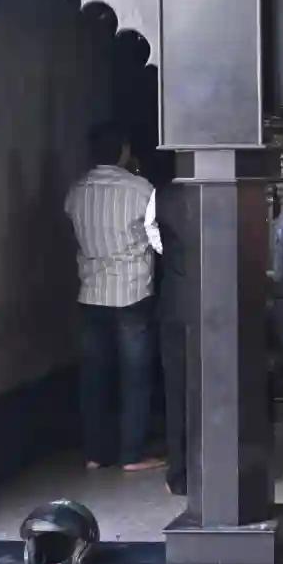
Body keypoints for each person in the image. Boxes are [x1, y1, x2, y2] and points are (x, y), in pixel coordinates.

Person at [63, 122, 161, 473]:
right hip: (132, 292)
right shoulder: (140, 189)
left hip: (91, 293)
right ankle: (131, 454)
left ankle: (95, 452)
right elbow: (158, 241)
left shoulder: (76, 191)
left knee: (94, 376)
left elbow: (74, 236)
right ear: (123, 150)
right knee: (135, 375)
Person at [146, 176, 188, 496]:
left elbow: (155, 238)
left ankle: (181, 474)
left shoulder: (162, 196)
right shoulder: (234, 190)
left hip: (176, 302)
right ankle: (231, 468)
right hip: (223, 307)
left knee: (178, 391)